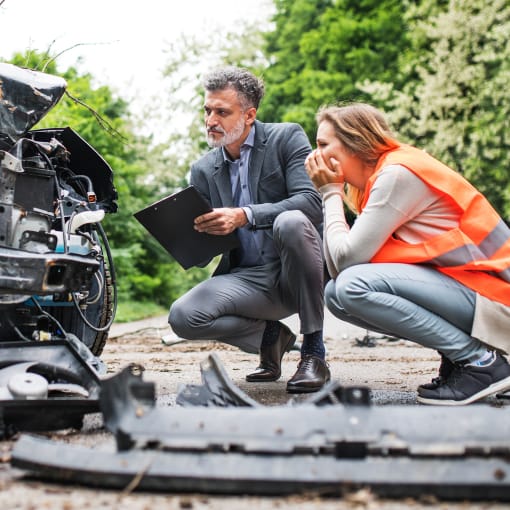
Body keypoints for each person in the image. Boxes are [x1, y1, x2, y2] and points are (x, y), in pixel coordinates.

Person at [305, 101, 510, 406]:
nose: (314, 155)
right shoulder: (378, 180)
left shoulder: (397, 175)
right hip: (476, 293)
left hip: (497, 297)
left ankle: (480, 363)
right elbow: (339, 267)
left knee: (352, 287)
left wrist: (331, 193)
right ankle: (461, 357)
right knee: (337, 295)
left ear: (355, 144)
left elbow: (347, 262)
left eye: (323, 144)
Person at [169, 66, 330, 393]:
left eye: (222, 112)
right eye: (207, 110)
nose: (210, 120)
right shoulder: (202, 169)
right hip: (249, 278)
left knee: (291, 221)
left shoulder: (286, 138)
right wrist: (183, 235)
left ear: (249, 115)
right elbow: (205, 252)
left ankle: (314, 352)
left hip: (296, 268)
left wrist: (244, 215)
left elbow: (312, 203)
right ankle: (271, 337)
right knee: (183, 317)